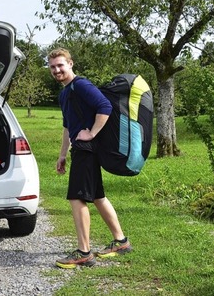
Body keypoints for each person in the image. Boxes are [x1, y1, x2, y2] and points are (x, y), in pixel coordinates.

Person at [48, 48, 132, 269]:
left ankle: (84, 252)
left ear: (70, 64)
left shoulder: (81, 85)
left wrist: (92, 133)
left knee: (77, 197)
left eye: (60, 65)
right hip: (80, 149)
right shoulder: (65, 93)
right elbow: (67, 126)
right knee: (97, 196)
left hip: (87, 149)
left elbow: (105, 106)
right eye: (53, 66)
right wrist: (62, 154)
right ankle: (121, 241)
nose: (56, 70)